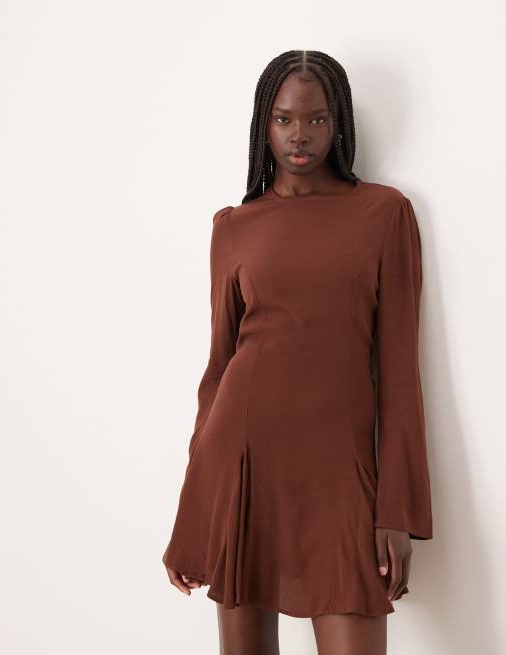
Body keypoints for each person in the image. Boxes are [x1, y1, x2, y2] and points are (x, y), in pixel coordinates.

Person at [162, 49, 433, 655]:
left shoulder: (383, 213)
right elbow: (218, 371)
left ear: (340, 123)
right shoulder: (234, 225)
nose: (300, 135)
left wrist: (397, 509)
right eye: (284, 119)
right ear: (264, 123)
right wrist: (193, 512)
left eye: (316, 119)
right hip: (244, 462)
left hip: (339, 471)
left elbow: (398, 373)